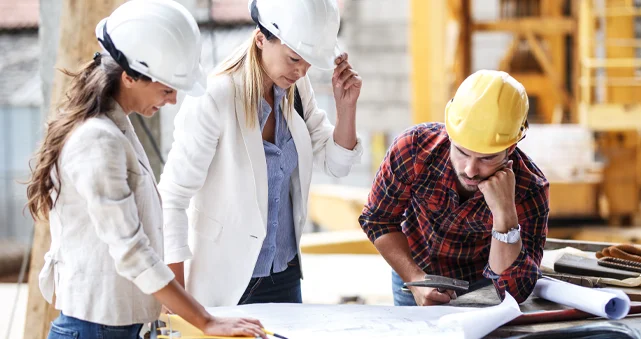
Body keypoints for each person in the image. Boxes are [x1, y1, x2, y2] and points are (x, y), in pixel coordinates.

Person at [25, 1, 269, 339]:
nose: (171, 101)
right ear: (130, 77)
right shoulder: (97, 140)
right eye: (167, 89)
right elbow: (132, 251)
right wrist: (206, 320)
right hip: (96, 335)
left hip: (114, 331)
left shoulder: (115, 128)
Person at [157, 0, 363, 307]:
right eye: (294, 58)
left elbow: (336, 165)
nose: (301, 70)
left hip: (285, 276)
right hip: (226, 285)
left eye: (308, 62)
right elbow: (172, 198)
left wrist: (347, 108)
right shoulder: (216, 97)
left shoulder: (296, 88)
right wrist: (178, 305)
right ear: (260, 39)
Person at [359, 70, 549, 306]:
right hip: (415, 273)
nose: (470, 170)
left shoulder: (530, 188)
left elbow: (514, 291)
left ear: (511, 148)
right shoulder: (414, 149)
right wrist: (415, 279)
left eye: (487, 158)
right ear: (450, 133)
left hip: (484, 288)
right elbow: (377, 219)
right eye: (462, 152)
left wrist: (505, 214)